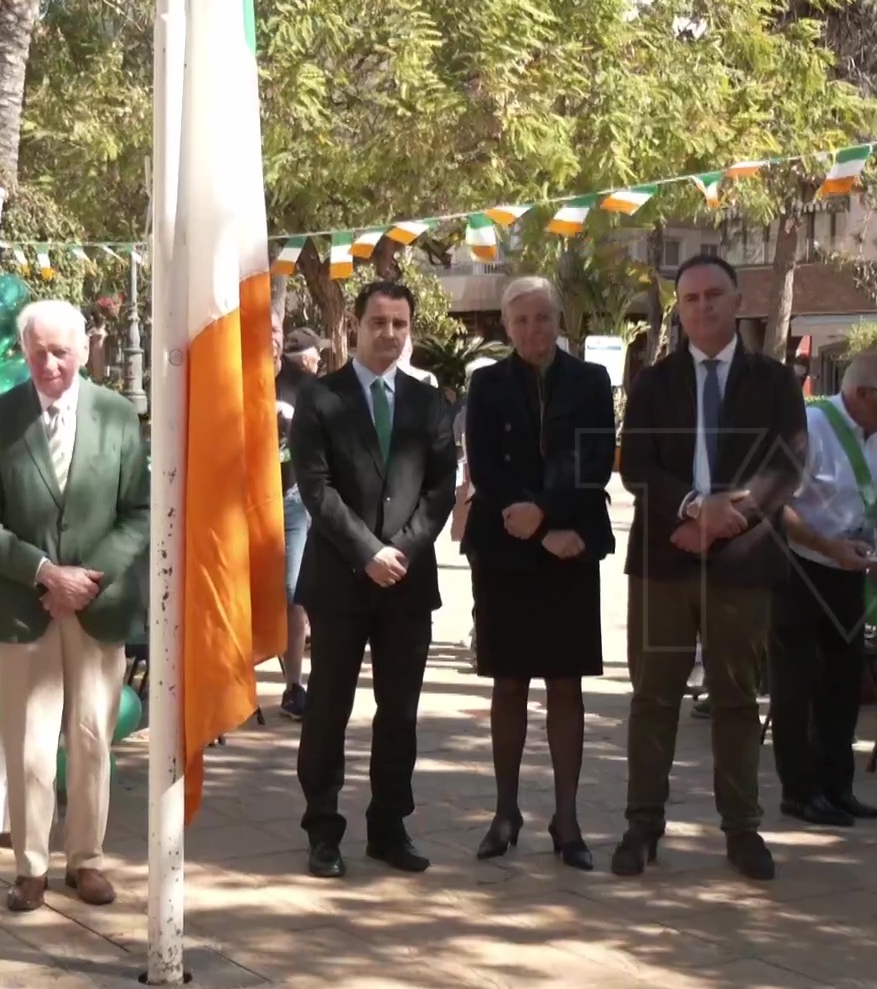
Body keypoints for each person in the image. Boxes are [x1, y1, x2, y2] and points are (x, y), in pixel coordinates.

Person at [613, 254, 806, 880]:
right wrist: (696, 509)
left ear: (738, 299)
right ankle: (642, 825)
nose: (702, 307)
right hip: (664, 560)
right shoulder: (653, 382)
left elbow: (788, 465)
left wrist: (730, 517)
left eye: (713, 295)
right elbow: (636, 465)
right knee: (653, 699)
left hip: (743, 563)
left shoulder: (774, 381)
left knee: (736, 700)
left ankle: (742, 829)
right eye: (690, 298)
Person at [0, 299, 147, 912]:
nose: (49, 364)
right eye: (38, 352)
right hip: (25, 605)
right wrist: (45, 573)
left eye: (61, 352)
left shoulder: (118, 414)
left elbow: (138, 511)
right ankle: (31, 867)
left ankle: (86, 861)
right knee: (30, 745)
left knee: (92, 738)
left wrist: (87, 581)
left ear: (85, 349)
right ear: (23, 350)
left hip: (98, 605)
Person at [290, 281, 456, 879]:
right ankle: (323, 829)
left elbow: (440, 490)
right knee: (328, 708)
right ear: (354, 326)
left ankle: (389, 826)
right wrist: (367, 552)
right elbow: (316, 488)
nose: (389, 333)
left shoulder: (429, 403)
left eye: (399, 324)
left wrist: (400, 551)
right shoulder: (320, 398)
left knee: (399, 712)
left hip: (407, 583)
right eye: (378, 322)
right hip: (339, 581)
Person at [462, 277, 614, 870]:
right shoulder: (486, 384)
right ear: (506, 326)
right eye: (522, 320)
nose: (534, 330)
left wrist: (548, 515)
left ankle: (567, 818)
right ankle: (505, 813)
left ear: (559, 319)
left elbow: (596, 460)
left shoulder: (592, 380)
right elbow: (484, 466)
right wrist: (534, 526)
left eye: (543, 317)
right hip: (506, 547)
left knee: (566, 684)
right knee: (508, 683)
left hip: (571, 544)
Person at [771, 351, 877, 828]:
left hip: (850, 570)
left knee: (843, 683)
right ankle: (799, 792)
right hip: (800, 569)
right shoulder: (808, 428)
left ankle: (837, 786)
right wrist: (827, 546)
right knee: (797, 685)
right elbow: (774, 505)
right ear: (862, 394)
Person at [274, 321, 319, 718]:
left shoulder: (309, 389)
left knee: (294, 590)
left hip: (292, 500)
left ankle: (294, 685)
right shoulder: (242, 382)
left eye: (276, 331)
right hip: (246, 502)